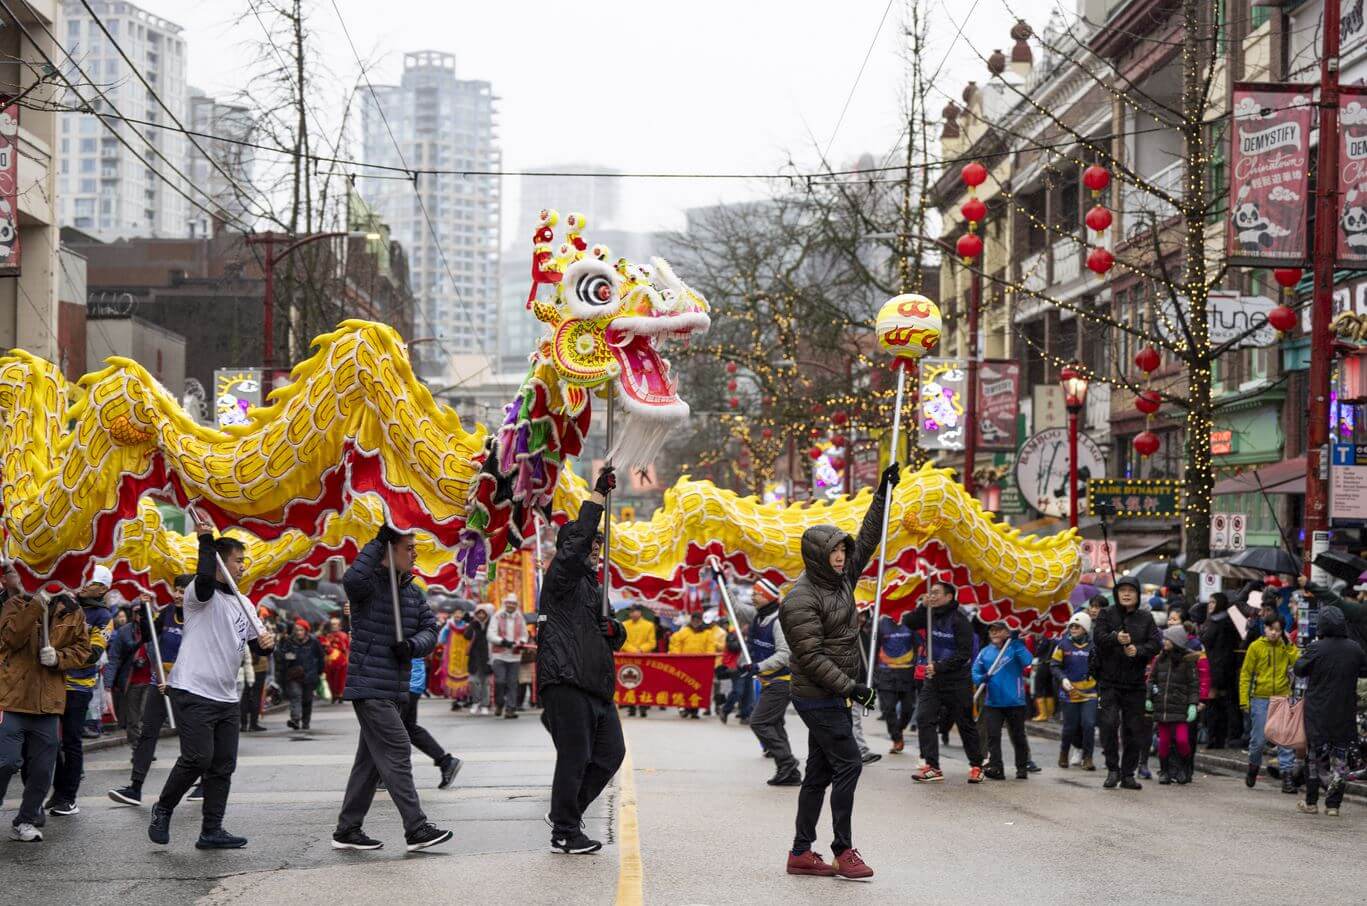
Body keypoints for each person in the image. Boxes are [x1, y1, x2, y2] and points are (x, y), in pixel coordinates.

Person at [778, 463, 895, 882]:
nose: (843, 556)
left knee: (820, 771)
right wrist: (853, 688)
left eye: (843, 551)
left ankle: (799, 852)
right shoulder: (800, 599)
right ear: (817, 556)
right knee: (850, 764)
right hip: (816, 694)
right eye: (834, 552)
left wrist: (883, 491)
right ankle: (843, 850)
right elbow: (810, 656)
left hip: (835, 693)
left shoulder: (842, 578)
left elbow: (869, 536)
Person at [149, 515, 275, 849]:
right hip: (193, 688)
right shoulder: (198, 594)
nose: (243, 567)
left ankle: (212, 830)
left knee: (222, 765)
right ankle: (163, 808)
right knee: (198, 758)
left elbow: (254, 645)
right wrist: (206, 541)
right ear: (221, 562)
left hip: (227, 696)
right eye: (238, 561)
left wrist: (268, 643)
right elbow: (205, 577)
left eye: (244, 561)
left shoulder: (244, 603)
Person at [331, 524, 451, 852]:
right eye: (408, 548)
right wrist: (377, 541)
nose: (414, 553)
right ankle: (416, 827)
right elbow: (352, 580)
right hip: (370, 685)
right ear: (390, 551)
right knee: (398, 750)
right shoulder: (368, 586)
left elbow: (430, 628)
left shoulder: (412, 591)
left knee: (369, 762)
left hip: (395, 688)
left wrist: (412, 645)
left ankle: (347, 829)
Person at [537, 466, 627, 855]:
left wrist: (615, 631)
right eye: (590, 544)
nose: (594, 550)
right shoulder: (562, 575)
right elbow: (574, 549)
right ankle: (564, 830)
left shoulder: (591, 586)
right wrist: (597, 499)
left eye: (597, 546)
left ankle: (566, 814)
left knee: (611, 754)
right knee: (574, 758)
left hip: (595, 684)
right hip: (565, 677)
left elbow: (602, 630)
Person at [0, 565, 92, 842]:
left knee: (42, 770)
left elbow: (83, 650)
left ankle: (26, 819)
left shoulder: (73, 610)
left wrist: (59, 658)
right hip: (13, 698)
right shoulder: (15, 603)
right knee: (6, 761)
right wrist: (35, 604)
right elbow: (10, 637)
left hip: (49, 704)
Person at [108, 577, 189, 807]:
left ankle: (205, 782)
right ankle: (135, 787)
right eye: (177, 590)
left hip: (186, 685)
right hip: (159, 681)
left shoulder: (199, 616)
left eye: (184, 592)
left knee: (192, 736)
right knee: (147, 732)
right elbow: (147, 635)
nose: (178, 595)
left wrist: (176, 682)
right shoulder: (167, 611)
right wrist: (144, 611)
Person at [43, 565, 115, 816]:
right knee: (48, 741)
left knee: (70, 741)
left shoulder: (104, 617)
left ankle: (69, 797)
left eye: (92, 582)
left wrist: (60, 656)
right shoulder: (64, 604)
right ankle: (58, 791)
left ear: (103, 588)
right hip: (52, 682)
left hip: (78, 686)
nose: (84, 584)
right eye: (84, 579)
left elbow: (93, 654)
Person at [907, 580, 984, 784]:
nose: (931, 596)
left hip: (957, 681)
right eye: (930, 593)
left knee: (965, 723)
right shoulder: (929, 615)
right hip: (933, 681)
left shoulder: (960, 621)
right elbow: (909, 622)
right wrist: (922, 605)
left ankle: (977, 765)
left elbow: (964, 654)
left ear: (949, 597)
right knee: (924, 719)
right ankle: (932, 767)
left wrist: (940, 666)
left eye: (936, 593)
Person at [1293, 605, 1367, 816]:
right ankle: (1333, 805)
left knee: (1315, 756)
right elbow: (1364, 669)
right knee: (1340, 759)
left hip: (1318, 711)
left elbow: (1299, 668)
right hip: (1344, 712)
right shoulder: (1354, 648)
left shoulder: (1317, 647)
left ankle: (1311, 802)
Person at [1093, 575, 1161, 790]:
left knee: (1134, 730)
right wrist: (1115, 638)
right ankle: (1112, 769)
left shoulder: (1146, 618)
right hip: (1109, 682)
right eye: (1122, 589)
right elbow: (1098, 638)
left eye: (1131, 590)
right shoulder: (1106, 614)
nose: (1126, 593)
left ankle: (1128, 773)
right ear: (1116, 593)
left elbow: (1156, 644)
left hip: (1135, 684)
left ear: (1137, 594)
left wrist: (1137, 650)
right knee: (1109, 724)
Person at [736, 577, 799, 785]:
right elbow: (735, 608)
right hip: (768, 681)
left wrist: (759, 667)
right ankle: (789, 772)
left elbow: (784, 654)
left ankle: (788, 764)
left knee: (759, 722)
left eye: (757, 593)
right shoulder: (757, 615)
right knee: (775, 724)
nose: (753, 596)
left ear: (768, 597)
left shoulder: (779, 621)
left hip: (782, 681)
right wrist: (721, 580)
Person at [1239, 613, 1298, 793]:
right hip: (1260, 698)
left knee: (1284, 739)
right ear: (1264, 628)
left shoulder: (1286, 647)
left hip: (1282, 697)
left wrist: (1289, 645)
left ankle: (1287, 776)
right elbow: (1246, 674)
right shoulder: (1255, 647)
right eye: (1271, 629)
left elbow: (1298, 663)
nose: (1274, 633)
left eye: (1278, 630)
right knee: (1258, 740)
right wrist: (1244, 700)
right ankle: (1253, 766)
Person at [972, 621, 1035, 780]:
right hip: (992, 702)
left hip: (1015, 701)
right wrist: (981, 678)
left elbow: (1028, 661)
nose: (994, 633)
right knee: (993, 736)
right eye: (991, 630)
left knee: (1018, 736)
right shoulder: (985, 652)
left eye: (998, 630)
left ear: (1008, 632)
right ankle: (996, 767)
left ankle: (1022, 768)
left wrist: (1016, 643)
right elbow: (975, 671)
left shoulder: (1014, 648)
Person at [1147, 625, 1199, 785]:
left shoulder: (1187, 661)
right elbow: (1151, 680)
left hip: (1180, 708)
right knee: (1163, 743)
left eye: (1167, 639)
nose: (1164, 641)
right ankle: (1165, 771)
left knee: (1182, 740)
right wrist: (1149, 698)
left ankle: (1184, 768)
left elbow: (1193, 685)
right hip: (1163, 708)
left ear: (1176, 641)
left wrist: (1192, 704)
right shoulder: (1159, 659)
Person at [404, 652, 462, 789]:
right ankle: (445, 762)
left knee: (393, 729)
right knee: (407, 727)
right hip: (411, 679)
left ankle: (384, 774)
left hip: (406, 680)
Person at [1050, 612, 1098, 770]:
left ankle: (1088, 758)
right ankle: (1064, 753)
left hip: (1090, 692)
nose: (1074, 629)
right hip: (1069, 692)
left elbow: (1101, 668)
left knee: (1089, 724)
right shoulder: (1063, 645)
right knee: (1070, 726)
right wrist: (1062, 679)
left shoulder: (1094, 646)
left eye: (1077, 626)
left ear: (1085, 628)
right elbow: (1054, 665)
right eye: (1072, 626)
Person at [1200, 591, 1243, 750]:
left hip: (1221, 670)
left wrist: (1217, 676)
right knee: (1215, 705)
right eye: (1209, 602)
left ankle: (1222, 738)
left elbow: (1224, 652)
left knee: (1220, 705)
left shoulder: (1225, 624)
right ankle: (1215, 738)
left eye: (1213, 602)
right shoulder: (1211, 621)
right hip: (1211, 667)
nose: (1210, 605)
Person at [872, 607, 918, 756]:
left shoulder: (910, 621)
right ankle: (897, 738)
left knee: (908, 709)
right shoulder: (881, 623)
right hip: (886, 674)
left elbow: (918, 646)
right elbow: (874, 648)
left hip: (907, 674)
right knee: (888, 709)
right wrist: (873, 673)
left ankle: (899, 730)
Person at [670, 610, 721, 718]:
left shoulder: (707, 633)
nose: (696, 622)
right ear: (691, 620)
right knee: (683, 688)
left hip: (700, 666)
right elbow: (675, 646)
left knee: (697, 688)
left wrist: (707, 661)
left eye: (698, 620)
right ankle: (683, 707)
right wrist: (678, 658)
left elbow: (710, 649)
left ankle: (694, 710)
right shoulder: (683, 632)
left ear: (701, 621)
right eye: (694, 619)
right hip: (684, 665)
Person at [276, 619, 324, 731]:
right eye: (297, 630)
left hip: (310, 675)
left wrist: (319, 672)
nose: (298, 632)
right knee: (295, 696)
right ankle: (295, 720)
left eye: (301, 630)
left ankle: (306, 722)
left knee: (307, 700)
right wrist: (286, 655)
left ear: (306, 630)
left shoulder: (314, 641)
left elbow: (321, 657)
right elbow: (280, 656)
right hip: (294, 675)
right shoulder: (289, 641)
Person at [489, 593, 529, 719]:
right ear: (505, 604)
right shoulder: (497, 616)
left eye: (513, 603)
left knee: (513, 683)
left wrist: (522, 641)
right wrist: (502, 641)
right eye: (509, 603)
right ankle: (499, 703)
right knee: (500, 681)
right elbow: (490, 634)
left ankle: (511, 709)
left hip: (515, 656)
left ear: (516, 605)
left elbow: (524, 634)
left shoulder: (519, 617)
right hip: (499, 655)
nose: (511, 605)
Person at [621, 605, 657, 718]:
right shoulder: (624, 624)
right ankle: (631, 707)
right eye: (630, 612)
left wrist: (641, 650)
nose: (632, 614)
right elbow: (622, 640)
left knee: (644, 683)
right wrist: (633, 650)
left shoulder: (649, 625)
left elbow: (652, 642)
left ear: (640, 612)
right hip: (628, 657)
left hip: (644, 658)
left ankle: (643, 707)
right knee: (629, 682)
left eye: (634, 611)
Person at [463, 604, 492, 714]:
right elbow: (466, 635)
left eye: (483, 613)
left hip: (486, 657)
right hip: (474, 658)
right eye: (479, 613)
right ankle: (475, 702)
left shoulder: (491, 625)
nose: (481, 615)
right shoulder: (473, 624)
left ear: (486, 614)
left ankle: (485, 705)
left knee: (485, 683)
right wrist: (472, 624)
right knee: (473, 681)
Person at [320, 616, 350, 703]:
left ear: (339, 625)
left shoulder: (343, 635)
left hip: (341, 662)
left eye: (336, 624)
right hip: (329, 662)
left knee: (340, 679)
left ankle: (340, 695)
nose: (334, 626)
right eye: (332, 624)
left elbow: (347, 648)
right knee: (330, 679)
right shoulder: (328, 636)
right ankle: (334, 695)